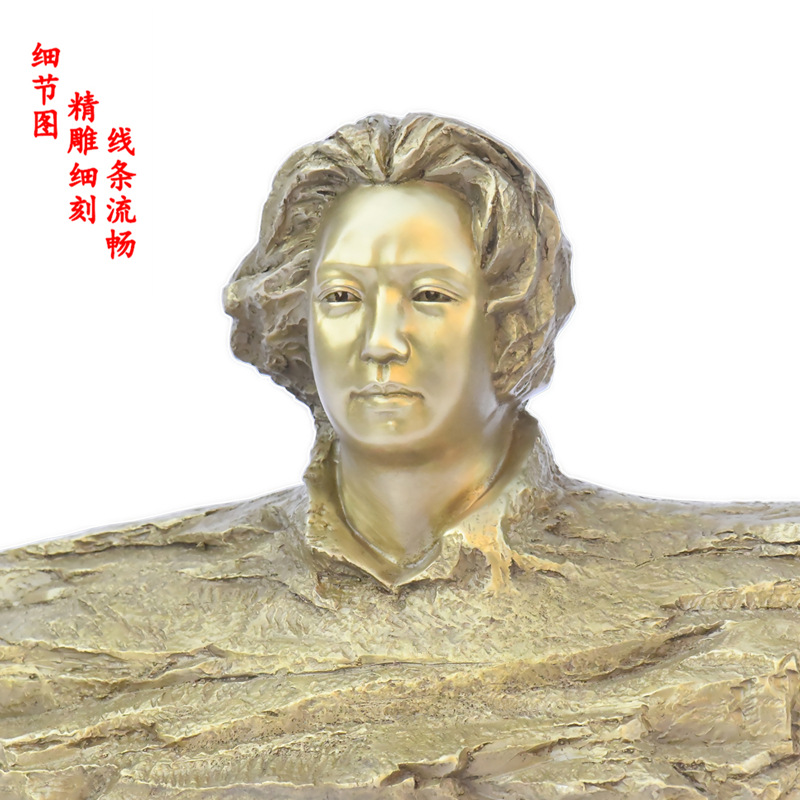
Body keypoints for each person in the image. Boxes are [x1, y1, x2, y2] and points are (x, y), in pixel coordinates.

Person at [2, 115, 799, 799]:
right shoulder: (54, 611)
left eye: (430, 296)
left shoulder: (761, 591)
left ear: (509, 319)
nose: (381, 341)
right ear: (295, 315)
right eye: (343, 297)